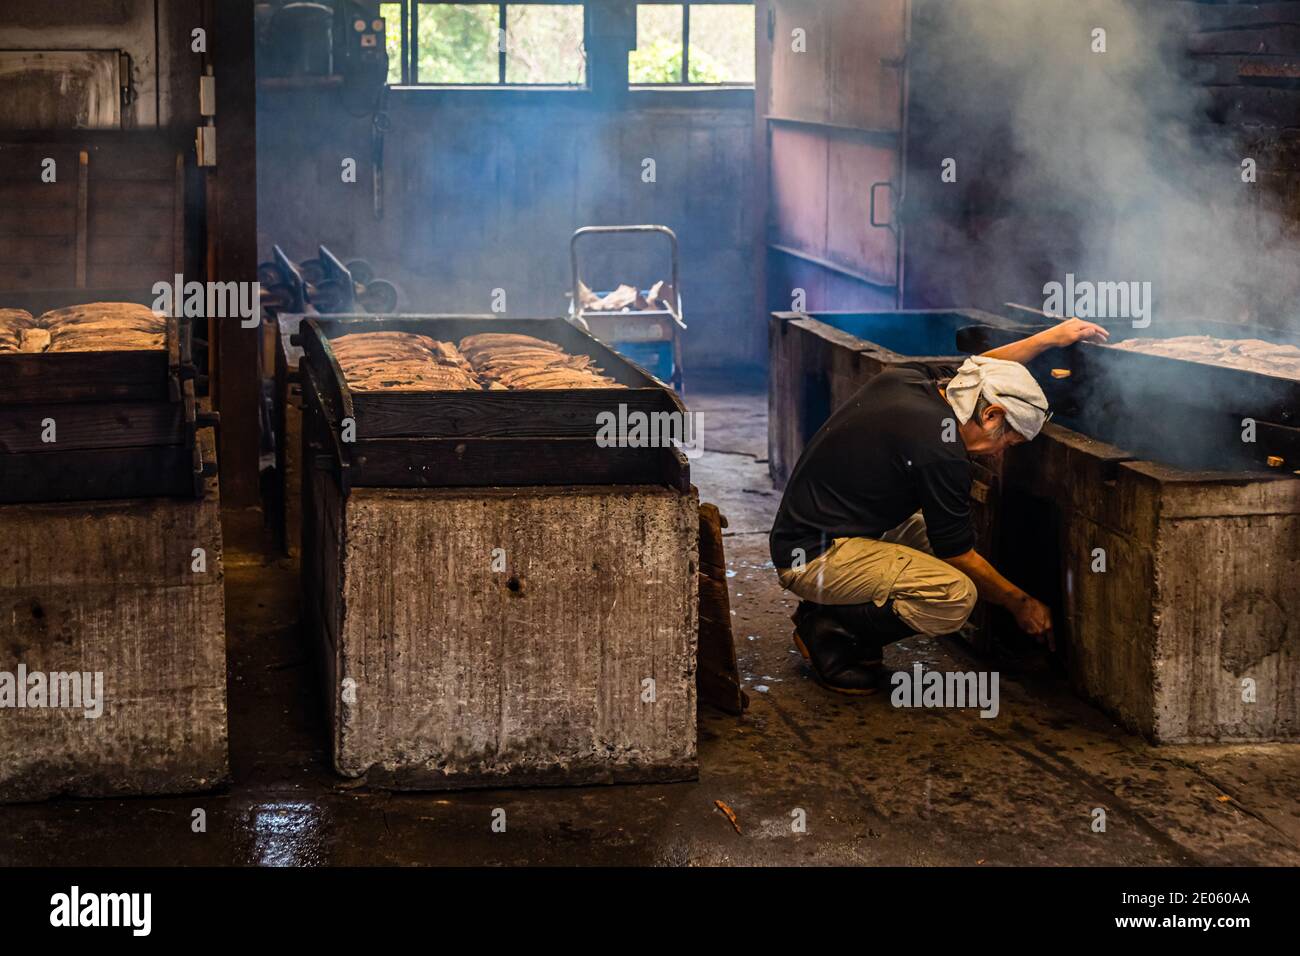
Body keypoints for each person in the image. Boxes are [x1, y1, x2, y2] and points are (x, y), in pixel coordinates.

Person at [769, 318, 1109, 694]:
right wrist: (1021, 603)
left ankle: (835, 611)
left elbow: (982, 366)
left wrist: (1048, 339)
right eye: (1008, 442)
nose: (1000, 452)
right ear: (991, 415)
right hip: (810, 558)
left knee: (939, 533)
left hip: (814, 531)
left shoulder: (914, 382)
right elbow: (958, 554)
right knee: (955, 594)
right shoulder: (941, 453)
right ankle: (830, 629)